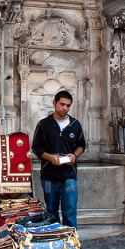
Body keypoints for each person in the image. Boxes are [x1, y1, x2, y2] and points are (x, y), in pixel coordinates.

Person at [32, 90, 86, 228]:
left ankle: (71, 243)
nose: (65, 108)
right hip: (49, 175)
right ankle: (55, 243)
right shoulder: (43, 124)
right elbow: (36, 148)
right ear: (54, 103)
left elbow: (81, 145)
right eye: (62, 104)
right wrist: (50, 157)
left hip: (69, 174)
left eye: (68, 105)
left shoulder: (75, 124)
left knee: (70, 212)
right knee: (51, 212)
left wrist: (74, 155)